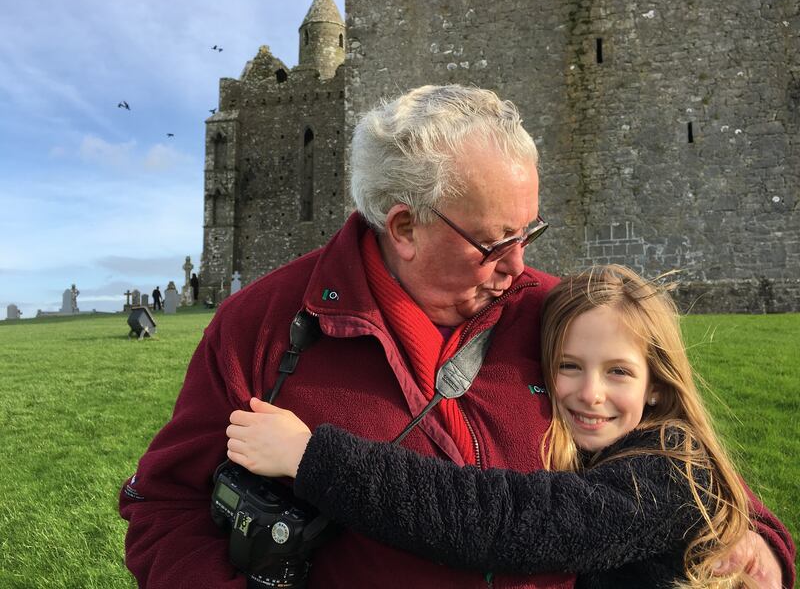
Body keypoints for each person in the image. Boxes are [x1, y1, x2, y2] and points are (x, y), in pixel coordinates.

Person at [119, 85, 793, 589]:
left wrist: (757, 537)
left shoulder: (561, 315)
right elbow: (165, 506)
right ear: (405, 227)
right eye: (497, 241)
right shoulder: (263, 325)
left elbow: (674, 444)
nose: (521, 266)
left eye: (531, 233)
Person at [227, 264, 797, 588]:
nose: (590, 394)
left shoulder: (667, 472)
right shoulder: (630, 454)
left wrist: (311, 458)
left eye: (619, 372)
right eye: (568, 367)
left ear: (658, 387)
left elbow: (500, 520)